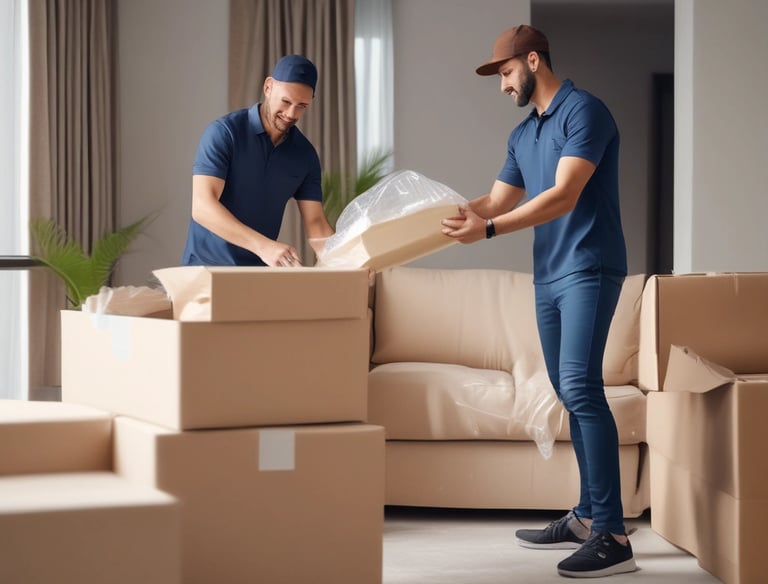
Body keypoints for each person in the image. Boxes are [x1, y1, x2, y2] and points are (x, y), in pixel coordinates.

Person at [441, 25, 635, 578]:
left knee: (579, 385)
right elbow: (494, 200)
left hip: (589, 265)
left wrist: (491, 229)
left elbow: (565, 193)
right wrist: (442, 215)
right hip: (548, 274)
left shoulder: (585, 112)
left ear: (532, 60)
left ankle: (612, 536)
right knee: (567, 391)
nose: (503, 86)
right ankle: (586, 515)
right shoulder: (523, 136)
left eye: (505, 73)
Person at [181, 54, 334, 267]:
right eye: (286, 101)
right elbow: (202, 206)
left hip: (258, 274)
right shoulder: (224, 133)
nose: (291, 113)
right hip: (204, 270)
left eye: (302, 106)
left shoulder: (305, 155)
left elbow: (316, 223)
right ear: (268, 87)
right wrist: (265, 247)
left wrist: (348, 261)